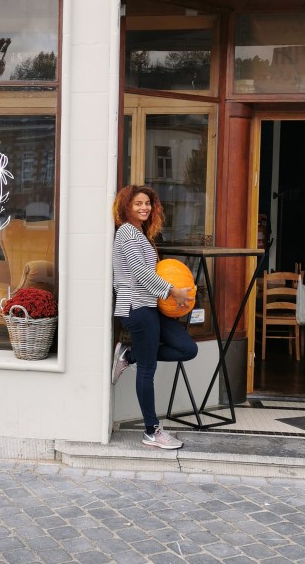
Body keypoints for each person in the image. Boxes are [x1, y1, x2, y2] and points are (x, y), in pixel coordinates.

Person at [111, 185, 197, 450]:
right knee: (147, 371)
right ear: (126, 206)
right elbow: (137, 271)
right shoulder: (127, 232)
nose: (144, 208)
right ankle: (152, 431)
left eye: (147, 203)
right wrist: (172, 290)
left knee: (187, 348)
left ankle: (129, 355)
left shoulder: (140, 233)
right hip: (137, 307)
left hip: (150, 306)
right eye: (138, 203)